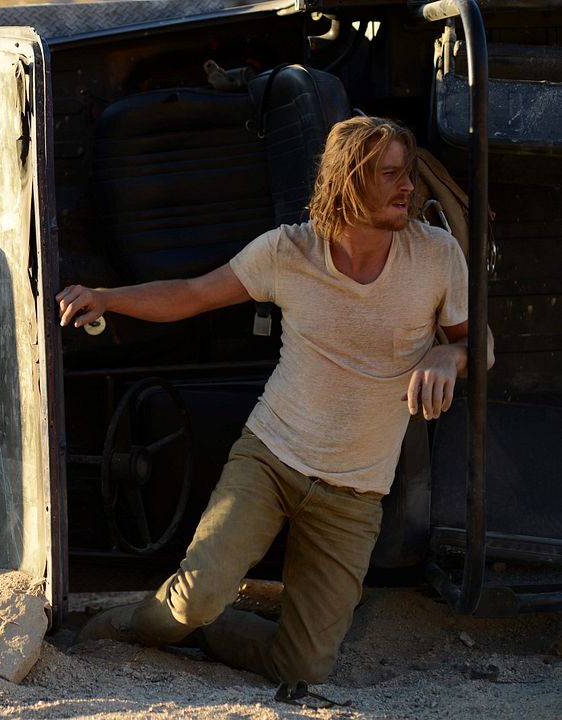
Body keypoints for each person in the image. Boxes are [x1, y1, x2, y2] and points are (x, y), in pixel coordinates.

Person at [55, 116, 494, 688]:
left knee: (304, 667)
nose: (408, 187)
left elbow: (477, 344)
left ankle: (209, 631)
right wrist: (107, 296)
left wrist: (446, 357)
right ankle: (141, 623)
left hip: (355, 494)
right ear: (347, 179)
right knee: (192, 600)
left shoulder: (436, 256)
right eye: (390, 175)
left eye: (407, 173)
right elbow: (191, 294)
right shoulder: (288, 251)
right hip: (271, 459)